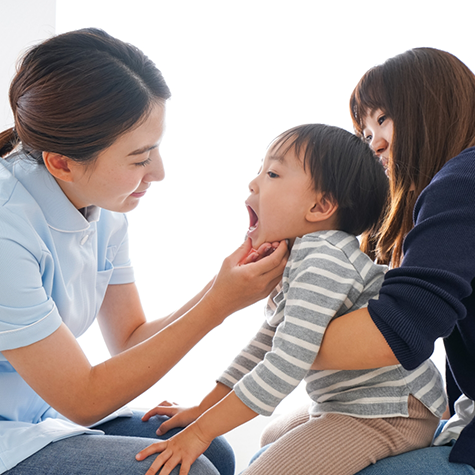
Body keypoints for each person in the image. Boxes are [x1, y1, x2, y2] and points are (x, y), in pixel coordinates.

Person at [0, 28, 288, 475]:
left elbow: (129, 338)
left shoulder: (103, 206)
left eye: (156, 149)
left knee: (213, 450)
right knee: (186, 471)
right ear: (62, 162)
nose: (159, 171)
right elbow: (83, 398)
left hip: (34, 416)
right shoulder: (6, 229)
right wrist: (218, 305)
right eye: (139, 158)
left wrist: (224, 284)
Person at [133, 124, 447, 475]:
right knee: (269, 434)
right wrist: (203, 409)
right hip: (350, 400)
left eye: (271, 173)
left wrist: (200, 433)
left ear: (320, 206)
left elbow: (285, 362)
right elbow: (264, 344)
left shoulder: (322, 258)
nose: (253, 183)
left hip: (386, 410)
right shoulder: (300, 254)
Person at [307, 47, 475, 474]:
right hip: (457, 414)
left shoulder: (461, 182)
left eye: (383, 118)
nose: (375, 142)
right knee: (279, 438)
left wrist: (283, 346)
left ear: (433, 107)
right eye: (365, 132)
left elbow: (397, 329)